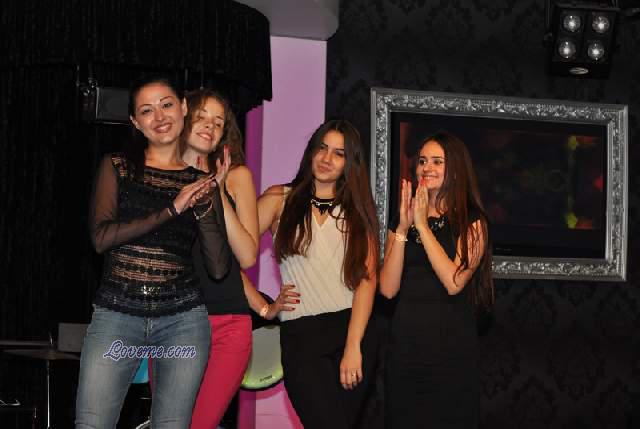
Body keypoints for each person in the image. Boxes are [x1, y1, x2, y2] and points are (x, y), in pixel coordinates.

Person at [75, 76, 231, 429]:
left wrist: (205, 206)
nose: (159, 116)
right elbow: (101, 238)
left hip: (182, 322)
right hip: (117, 315)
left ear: (184, 107)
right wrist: (171, 209)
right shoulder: (117, 166)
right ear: (135, 122)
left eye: (167, 104)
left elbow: (219, 268)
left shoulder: (199, 183)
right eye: (147, 110)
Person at [179, 88, 292, 428]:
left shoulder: (236, 176)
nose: (210, 126)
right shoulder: (162, 175)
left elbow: (244, 256)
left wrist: (217, 190)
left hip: (227, 323)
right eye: (202, 117)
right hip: (175, 323)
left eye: (218, 122)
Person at [257, 119, 379, 429]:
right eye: (322, 148)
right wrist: (264, 307)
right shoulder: (279, 199)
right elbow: (230, 251)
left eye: (339, 153)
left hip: (353, 334)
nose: (327, 159)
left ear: (350, 163)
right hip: (302, 337)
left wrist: (353, 346)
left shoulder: (357, 211)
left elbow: (367, 281)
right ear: (311, 152)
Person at [379, 131, 494, 428]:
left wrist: (422, 226)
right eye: (422, 161)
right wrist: (403, 228)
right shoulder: (402, 219)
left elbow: (454, 282)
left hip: (450, 351)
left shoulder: (472, 221)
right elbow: (388, 289)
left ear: (455, 169)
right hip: (405, 347)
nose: (426, 168)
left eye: (437, 161)